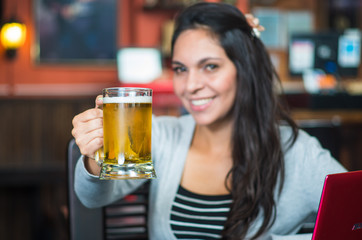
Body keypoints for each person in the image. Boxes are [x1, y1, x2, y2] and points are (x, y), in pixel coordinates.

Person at [71, 2, 346, 240]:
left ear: (244, 70)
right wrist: (96, 156)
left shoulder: (296, 151)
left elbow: (353, 218)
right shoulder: (162, 135)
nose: (190, 85)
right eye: (180, 69)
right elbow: (93, 197)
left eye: (210, 66)